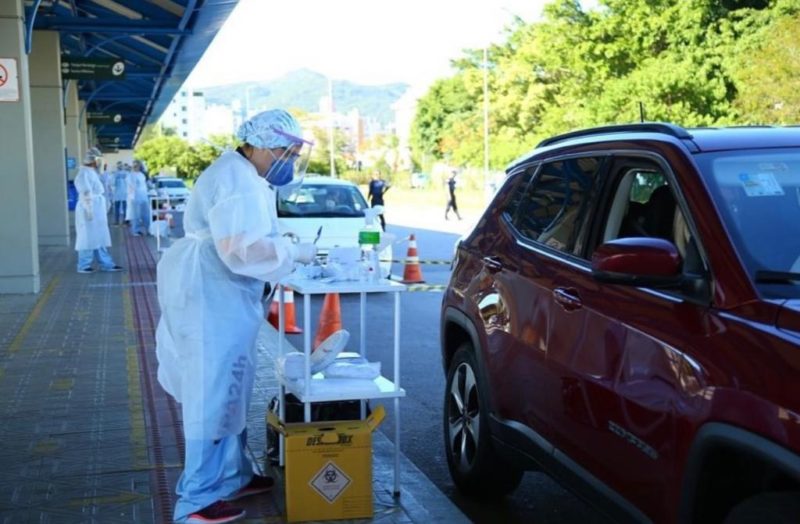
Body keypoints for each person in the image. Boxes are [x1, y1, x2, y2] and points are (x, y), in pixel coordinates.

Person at [155, 109, 316, 524]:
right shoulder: (236, 179)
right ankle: (196, 499)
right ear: (261, 144)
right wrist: (291, 252)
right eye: (286, 152)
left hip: (225, 295)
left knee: (233, 388)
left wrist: (281, 246)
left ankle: (231, 476)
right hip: (211, 295)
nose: (289, 162)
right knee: (212, 391)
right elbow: (240, 250)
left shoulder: (247, 176)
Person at [73, 148, 124, 274]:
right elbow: (86, 192)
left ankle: (106, 264)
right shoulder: (83, 173)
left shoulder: (91, 172)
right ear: (94, 160)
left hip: (96, 208)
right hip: (89, 209)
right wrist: (89, 210)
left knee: (99, 236)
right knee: (87, 236)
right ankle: (83, 265)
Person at [128, 161, 151, 236]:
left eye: (137, 166)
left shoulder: (142, 175)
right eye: (134, 166)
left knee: (146, 214)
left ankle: (148, 229)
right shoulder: (131, 175)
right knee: (136, 215)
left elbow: (145, 185)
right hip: (135, 197)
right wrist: (131, 198)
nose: (136, 167)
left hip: (143, 196)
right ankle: (135, 230)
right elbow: (131, 187)